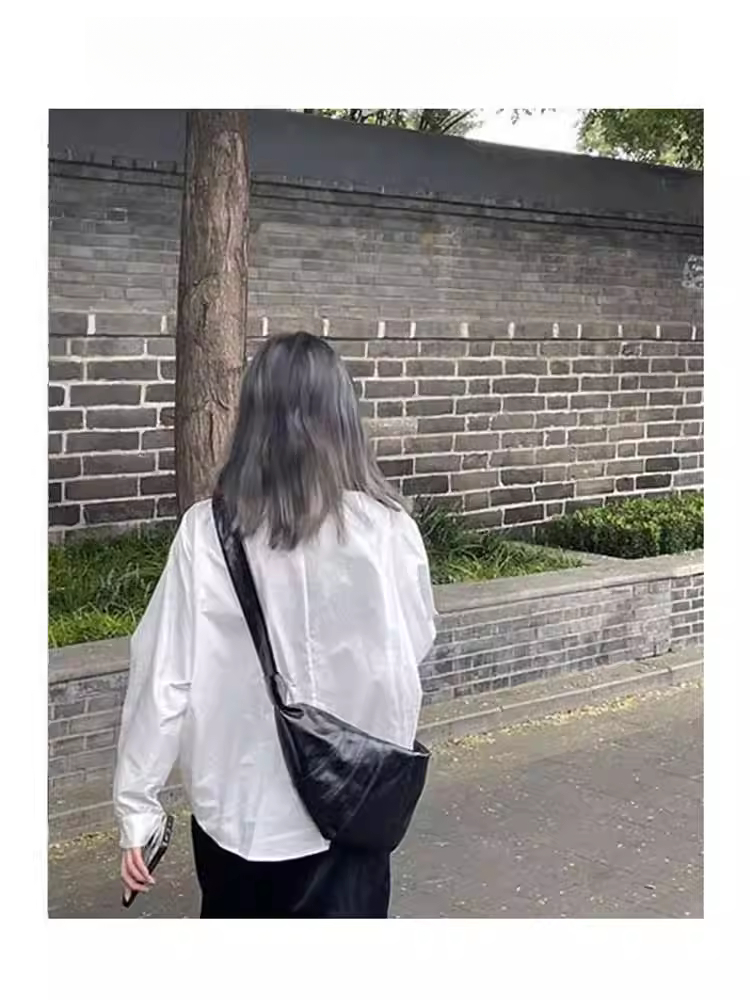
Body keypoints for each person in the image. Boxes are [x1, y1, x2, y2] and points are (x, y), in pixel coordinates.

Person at [113, 331, 436, 918]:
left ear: (254, 418)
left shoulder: (208, 531)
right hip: (353, 801)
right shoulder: (390, 530)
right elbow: (414, 645)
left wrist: (139, 808)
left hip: (239, 810)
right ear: (344, 417)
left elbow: (165, 677)